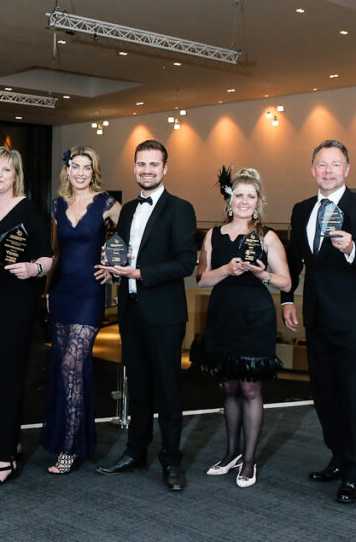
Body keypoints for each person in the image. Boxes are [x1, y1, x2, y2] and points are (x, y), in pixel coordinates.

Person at [281, 139, 356, 504]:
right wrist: (286, 299)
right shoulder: (301, 210)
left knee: (354, 396)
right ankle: (339, 458)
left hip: (354, 319)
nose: (328, 171)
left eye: (335, 164)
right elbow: (294, 260)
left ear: (346, 170)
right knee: (324, 394)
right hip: (316, 316)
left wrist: (353, 249)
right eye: (322, 165)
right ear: (313, 170)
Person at [95, 139, 197, 492]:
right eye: (142, 164)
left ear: (165, 168)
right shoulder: (126, 211)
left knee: (167, 390)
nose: (147, 170)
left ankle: (171, 461)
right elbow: (122, 254)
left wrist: (139, 273)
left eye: (154, 164)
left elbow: (185, 262)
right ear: (135, 167)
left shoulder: (181, 209)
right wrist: (112, 269)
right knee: (136, 387)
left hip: (164, 314)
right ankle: (135, 454)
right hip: (132, 311)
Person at [196, 167, 290, 488]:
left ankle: (249, 462)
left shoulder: (267, 236)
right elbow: (202, 278)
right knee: (230, 387)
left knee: (250, 388)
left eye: (251, 196)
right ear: (229, 199)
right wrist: (226, 268)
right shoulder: (213, 235)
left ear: (259, 201)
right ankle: (232, 453)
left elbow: (286, 280)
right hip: (223, 316)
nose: (244, 201)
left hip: (255, 316)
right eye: (239, 195)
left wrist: (261, 272)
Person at [0, 147, 52, 486]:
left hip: (13, 302)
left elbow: (48, 256)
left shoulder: (29, 210)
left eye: (6, 170)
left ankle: (4, 458)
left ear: (16, 174)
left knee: (5, 377)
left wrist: (33, 268)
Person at [40, 146, 119, 475]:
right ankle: (69, 438)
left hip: (89, 292)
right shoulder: (58, 205)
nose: (81, 172)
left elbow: (133, 235)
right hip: (61, 292)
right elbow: (56, 251)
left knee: (73, 364)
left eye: (87, 167)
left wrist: (116, 265)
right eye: (76, 166)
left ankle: (70, 448)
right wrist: (46, 291)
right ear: (67, 170)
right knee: (63, 368)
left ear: (94, 171)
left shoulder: (107, 204)